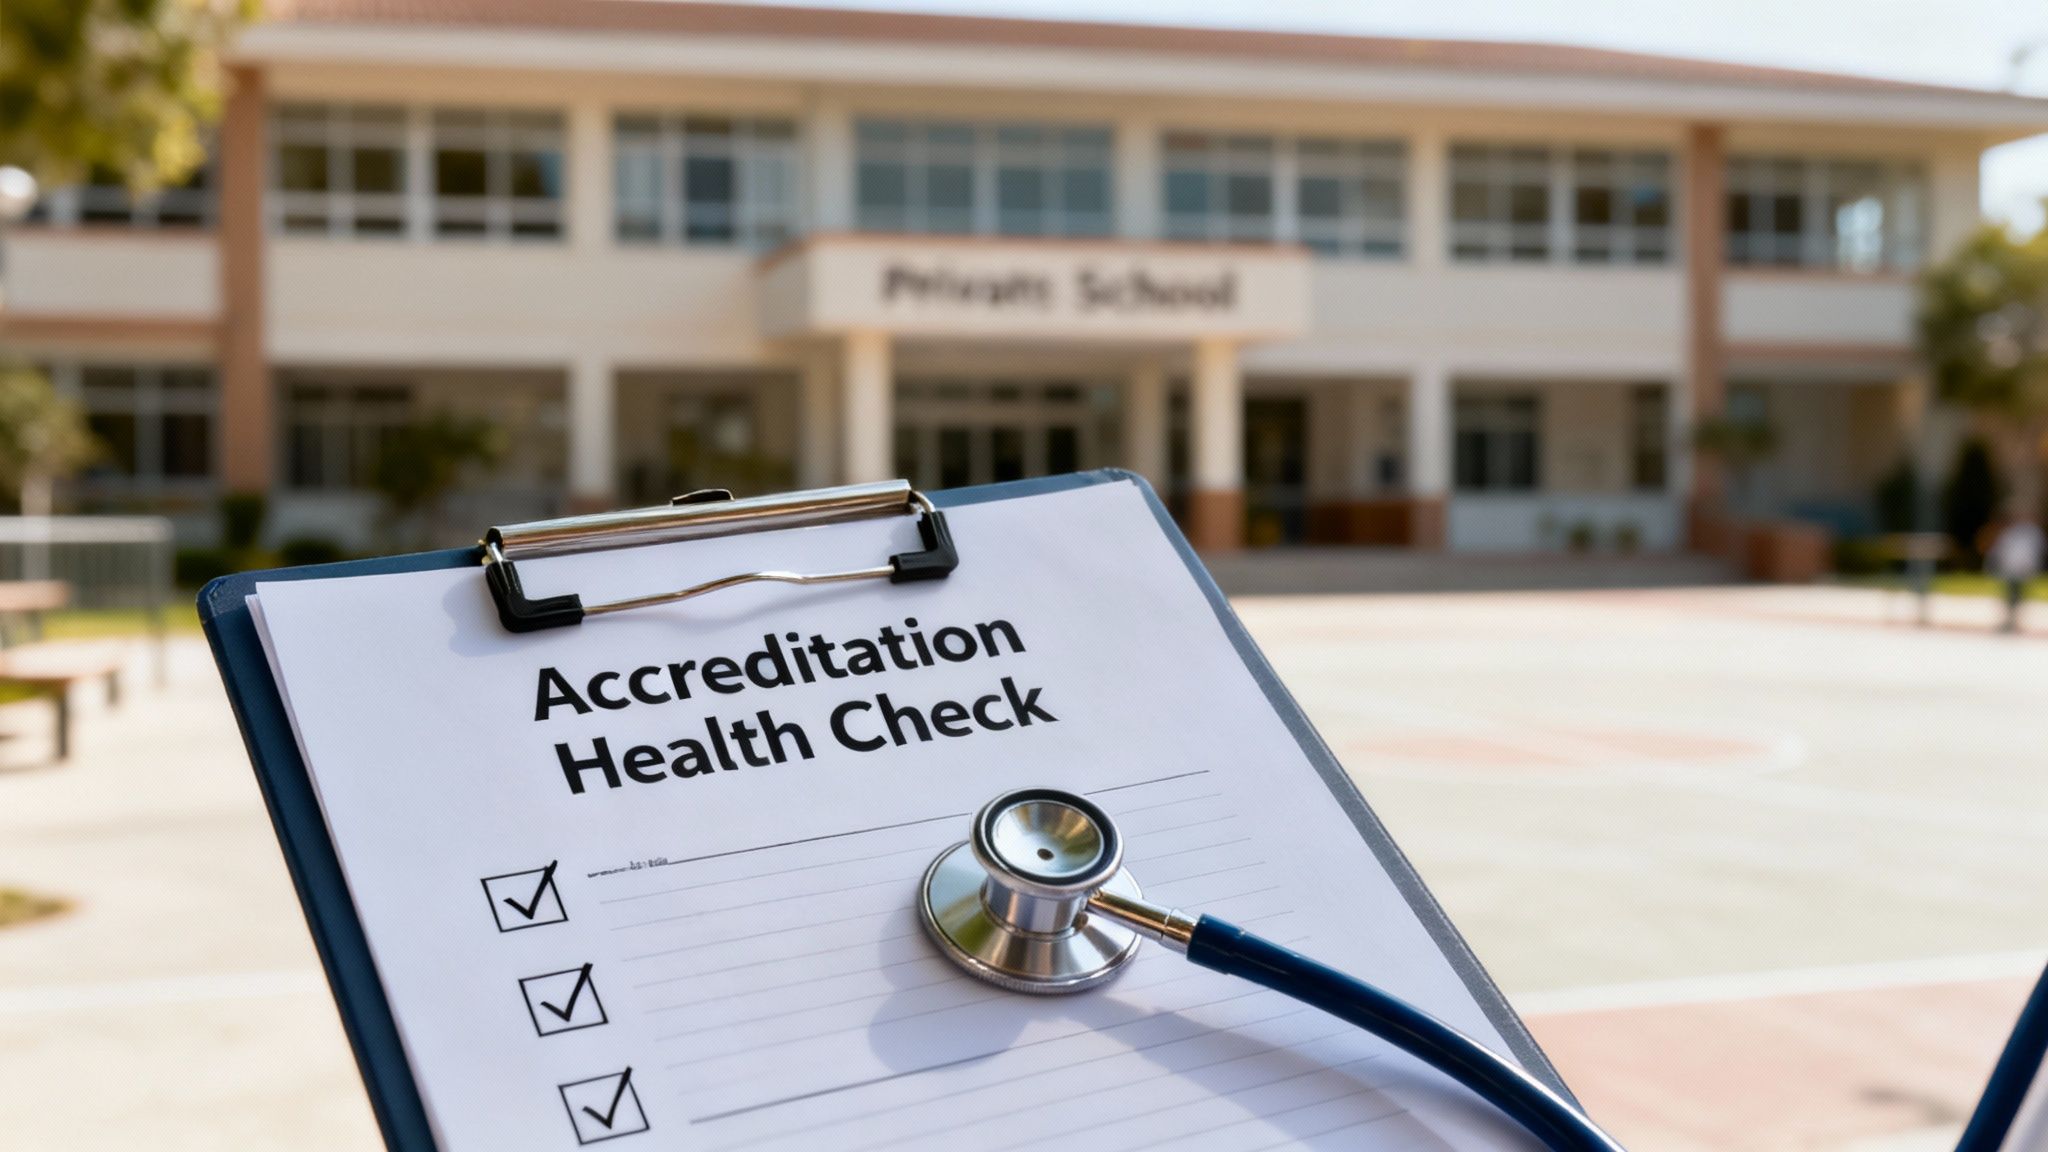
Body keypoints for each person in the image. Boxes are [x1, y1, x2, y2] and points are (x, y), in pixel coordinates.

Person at [1984, 509, 2044, 634]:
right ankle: (2009, 621)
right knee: (2009, 596)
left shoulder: (2032, 532)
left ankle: (2013, 621)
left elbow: (2037, 550)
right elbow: (2001, 550)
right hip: (2011, 569)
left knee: (2018, 596)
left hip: (2024, 570)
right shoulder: (2010, 532)